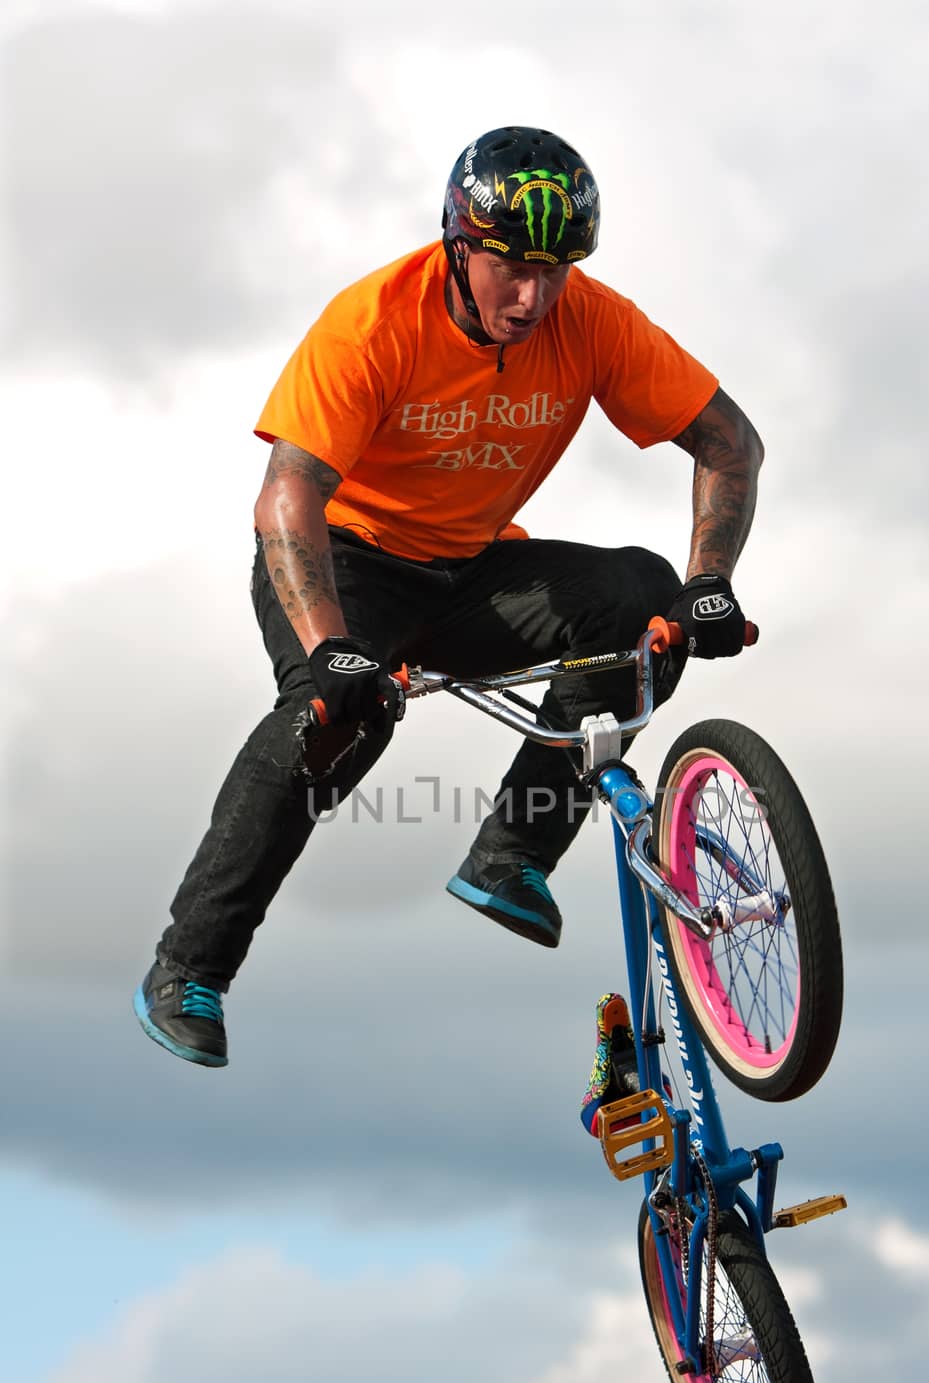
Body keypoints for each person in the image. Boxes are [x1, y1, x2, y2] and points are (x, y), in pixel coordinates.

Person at [133, 125, 763, 1070]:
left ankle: (512, 857)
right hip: (340, 563)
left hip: (468, 571)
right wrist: (328, 646)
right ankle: (189, 966)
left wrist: (709, 585)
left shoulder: (590, 320)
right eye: (510, 266)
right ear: (457, 244)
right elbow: (286, 497)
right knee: (341, 716)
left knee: (643, 597)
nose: (532, 296)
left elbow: (729, 443)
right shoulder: (375, 322)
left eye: (555, 271)